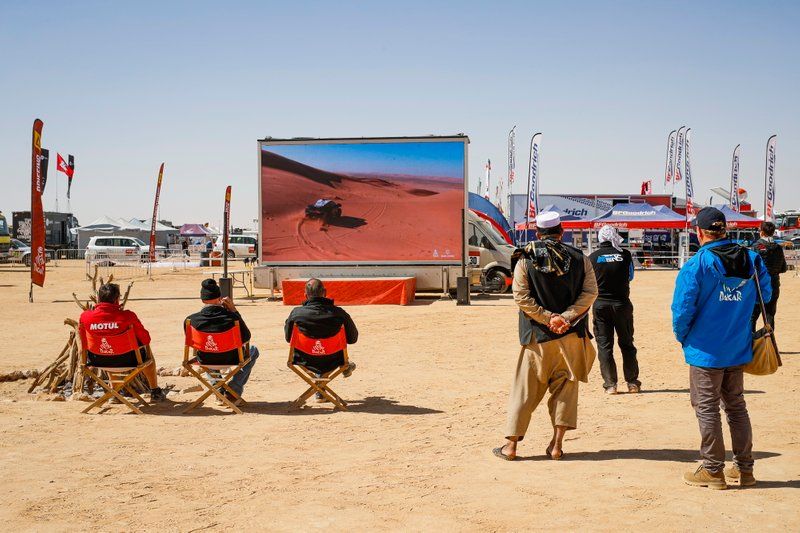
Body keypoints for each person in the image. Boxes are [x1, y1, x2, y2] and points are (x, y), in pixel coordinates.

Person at [672, 207, 772, 489]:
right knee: (736, 407)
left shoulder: (698, 263)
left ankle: (713, 470)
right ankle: (744, 469)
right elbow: (766, 294)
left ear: (699, 232)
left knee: (707, 408)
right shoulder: (751, 258)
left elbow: (681, 310)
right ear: (724, 229)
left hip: (705, 349)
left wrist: (684, 338)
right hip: (737, 345)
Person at [494, 211, 598, 461]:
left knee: (524, 391)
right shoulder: (580, 258)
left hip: (537, 338)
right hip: (572, 337)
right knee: (566, 390)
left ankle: (511, 447)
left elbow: (521, 296)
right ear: (562, 232)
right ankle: (557, 445)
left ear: (538, 234)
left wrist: (547, 318)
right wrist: (566, 317)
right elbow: (590, 292)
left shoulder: (524, 259)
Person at [79, 283, 166, 402]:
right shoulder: (127, 316)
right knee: (147, 355)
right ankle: (155, 391)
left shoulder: (85, 317)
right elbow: (146, 339)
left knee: (108, 351)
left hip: (97, 360)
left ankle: (115, 393)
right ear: (117, 299)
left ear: (98, 298)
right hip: (128, 360)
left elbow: (83, 342)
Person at [185, 279, 260, 400]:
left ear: (203, 300)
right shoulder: (232, 318)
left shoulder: (191, 320)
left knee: (207, 349)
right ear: (220, 298)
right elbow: (246, 337)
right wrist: (234, 311)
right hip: (231, 358)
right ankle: (233, 389)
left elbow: (193, 344)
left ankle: (218, 389)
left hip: (205, 359)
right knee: (253, 350)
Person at [285, 278, 357, 399]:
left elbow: (288, 338)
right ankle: (342, 369)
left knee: (316, 348)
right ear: (325, 292)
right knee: (326, 349)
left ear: (305, 295)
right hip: (333, 359)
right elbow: (353, 338)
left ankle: (319, 389)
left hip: (305, 359)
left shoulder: (296, 314)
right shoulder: (339, 313)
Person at [589, 225, 640, 394]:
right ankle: (632, 382)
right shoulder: (624, 255)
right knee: (627, 344)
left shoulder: (592, 257)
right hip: (622, 305)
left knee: (605, 346)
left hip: (600, 305)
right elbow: (631, 276)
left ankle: (611, 385)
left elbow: (588, 282)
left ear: (600, 238)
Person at [751, 221, 787, 330]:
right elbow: (783, 268)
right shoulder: (778, 248)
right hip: (774, 284)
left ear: (761, 232)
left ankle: (751, 343)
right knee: (770, 316)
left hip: (759, 285)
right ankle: (769, 343)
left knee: (752, 317)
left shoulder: (756, 246)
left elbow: (751, 268)